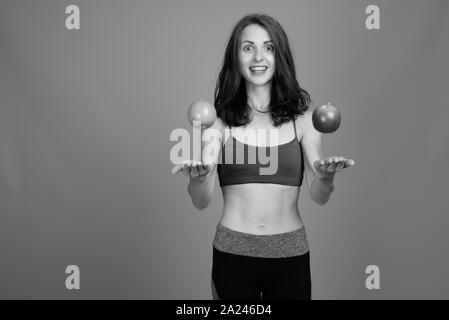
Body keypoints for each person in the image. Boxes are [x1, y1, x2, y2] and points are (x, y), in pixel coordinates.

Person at [173, 14, 355, 300]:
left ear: (279, 55)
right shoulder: (219, 126)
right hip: (232, 254)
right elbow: (201, 201)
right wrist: (197, 179)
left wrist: (326, 177)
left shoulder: (303, 122)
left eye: (268, 47)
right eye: (248, 48)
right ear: (236, 57)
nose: (259, 56)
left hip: (290, 254)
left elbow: (319, 196)